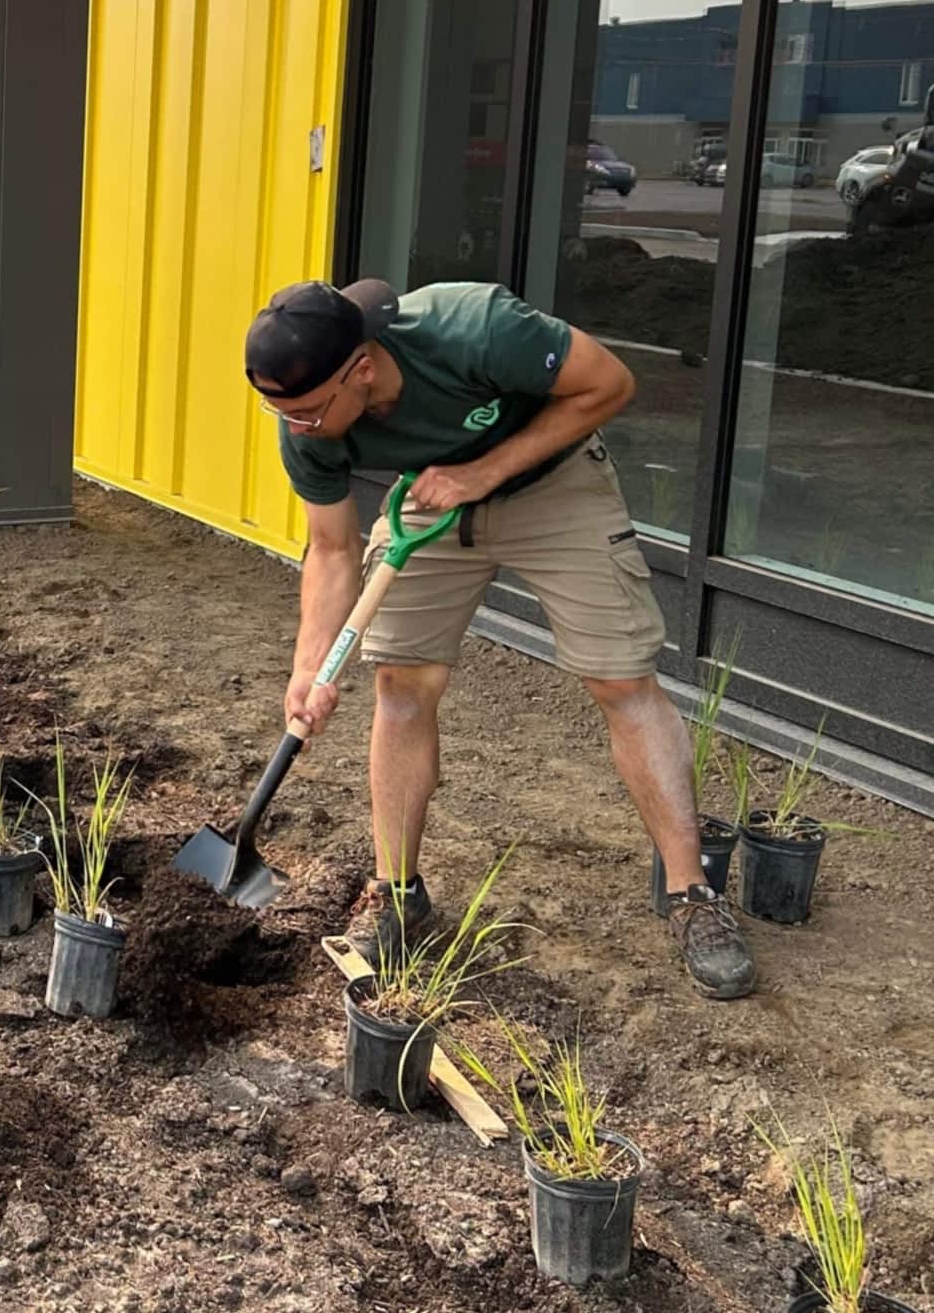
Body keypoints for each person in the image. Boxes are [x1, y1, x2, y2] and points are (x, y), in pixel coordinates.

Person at [243, 277, 756, 1000]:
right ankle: (397, 893)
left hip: (552, 486)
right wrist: (309, 669)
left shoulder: (472, 328)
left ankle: (691, 894)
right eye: (277, 410)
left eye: (305, 410)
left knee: (621, 681)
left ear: (361, 368)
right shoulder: (303, 420)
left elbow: (610, 384)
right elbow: (330, 548)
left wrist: (482, 471)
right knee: (401, 684)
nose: (293, 425)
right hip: (429, 500)